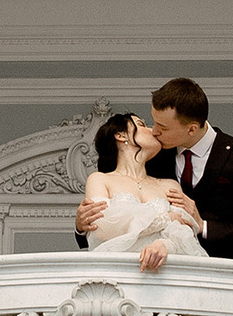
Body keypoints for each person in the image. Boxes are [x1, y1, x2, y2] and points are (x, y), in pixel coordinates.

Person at [74, 77, 233, 263]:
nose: (154, 132)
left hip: (220, 280)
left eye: (162, 127)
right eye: (152, 122)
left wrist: (203, 226)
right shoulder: (155, 156)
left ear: (191, 128)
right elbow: (103, 220)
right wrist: (81, 227)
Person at [81, 112, 205, 273]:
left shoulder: (169, 185)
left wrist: (164, 245)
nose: (152, 130)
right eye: (141, 125)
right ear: (121, 135)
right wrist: (166, 218)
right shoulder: (100, 180)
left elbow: (186, 232)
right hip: (116, 273)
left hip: (163, 275)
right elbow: (101, 228)